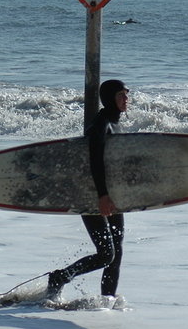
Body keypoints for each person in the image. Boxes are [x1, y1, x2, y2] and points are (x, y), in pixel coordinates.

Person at [46, 79, 129, 299]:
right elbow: (95, 161)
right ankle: (61, 276)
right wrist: (102, 195)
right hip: (90, 194)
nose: (126, 99)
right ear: (110, 98)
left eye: (126, 94)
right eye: (121, 94)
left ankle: (107, 301)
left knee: (116, 252)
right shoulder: (101, 124)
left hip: (109, 194)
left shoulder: (115, 123)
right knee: (106, 254)